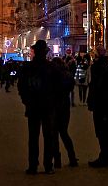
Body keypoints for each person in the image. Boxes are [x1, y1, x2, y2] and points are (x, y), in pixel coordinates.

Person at [18, 40, 58, 174]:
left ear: (34, 52)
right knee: (49, 137)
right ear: (46, 52)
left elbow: (21, 86)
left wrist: (26, 101)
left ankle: (33, 166)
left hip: (33, 106)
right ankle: (48, 165)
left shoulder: (28, 67)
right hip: (47, 106)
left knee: (33, 137)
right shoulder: (51, 67)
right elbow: (63, 84)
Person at [86, 47, 108, 167]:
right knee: (106, 129)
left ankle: (105, 157)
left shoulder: (98, 67)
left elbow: (96, 86)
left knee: (102, 130)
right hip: (105, 103)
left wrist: (92, 101)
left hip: (100, 103)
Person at [51, 58, 79, 168]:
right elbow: (71, 86)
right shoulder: (68, 74)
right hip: (65, 106)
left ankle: (57, 160)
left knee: (54, 135)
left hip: (55, 106)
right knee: (64, 133)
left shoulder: (53, 76)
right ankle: (72, 158)